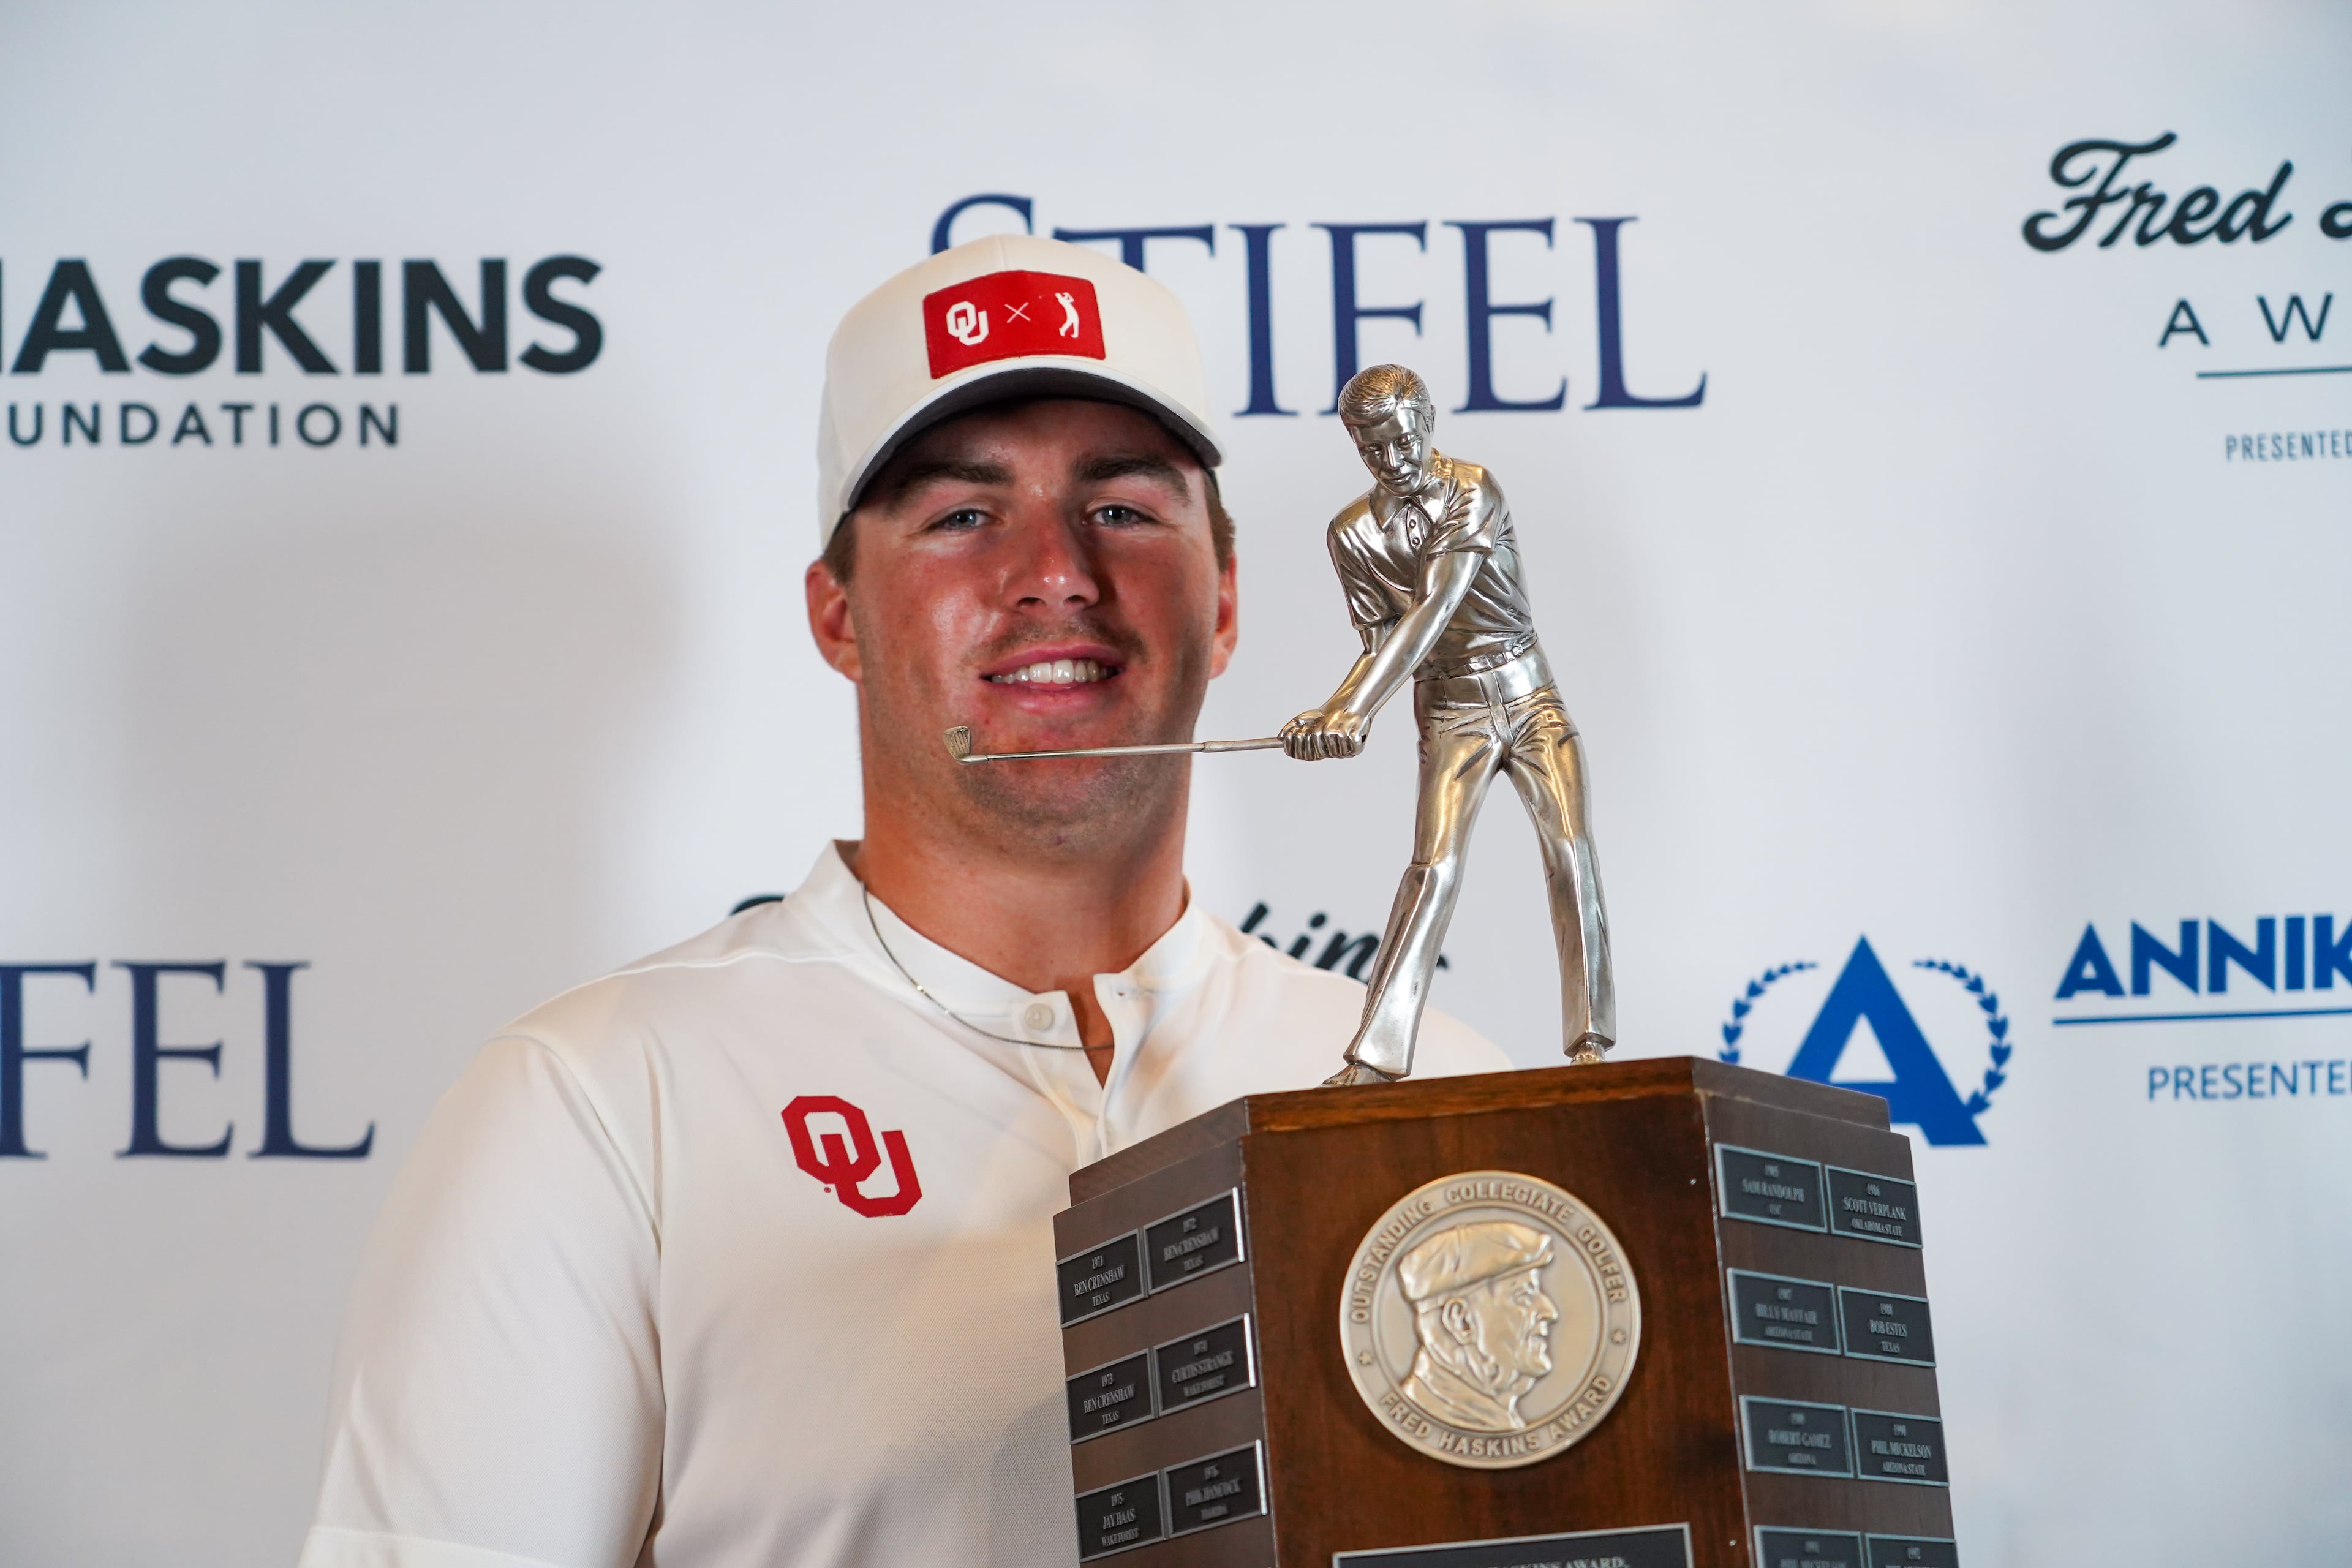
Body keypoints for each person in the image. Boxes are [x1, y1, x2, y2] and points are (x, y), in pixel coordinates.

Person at [296, 236, 1509, 1568]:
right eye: (962, 517)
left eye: (1121, 508)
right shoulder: (599, 1101)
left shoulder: (1446, 1097)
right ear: (839, 618)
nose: (1056, 571)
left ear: (1223, 607)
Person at [1281, 365, 1613, 1084]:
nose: (1392, 460)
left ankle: (1589, 1042)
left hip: (1530, 697)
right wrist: (1333, 713)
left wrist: (1355, 708)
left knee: (1568, 849)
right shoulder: (1351, 533)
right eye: (1372, 449)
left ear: (1427, 421)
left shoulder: (1473, 488)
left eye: (1402, 440)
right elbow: (1380, 645)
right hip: (1449, 710)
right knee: (1431, 870)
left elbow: (1435, 606)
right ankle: (1375, 1059)